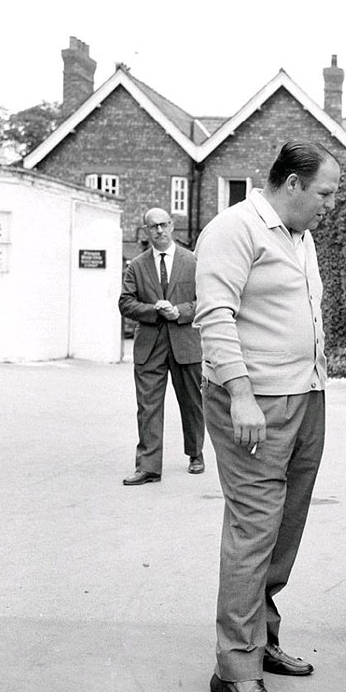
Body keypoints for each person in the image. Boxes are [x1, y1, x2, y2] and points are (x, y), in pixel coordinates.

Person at [194, 140, 340, 692]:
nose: (331, 204)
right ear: (293, 184)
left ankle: (261, 634)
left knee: (286, 524)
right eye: (325, 193)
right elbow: (215, 315)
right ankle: (235, 670)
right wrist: (242, 394)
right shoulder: (234, 230)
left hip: (305, 395)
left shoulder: (298, 234)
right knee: (255, 527)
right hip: (253, 404)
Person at [118, 208, 204, 486]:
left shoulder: (192, 261)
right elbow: (125, 303)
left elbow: (205, 300)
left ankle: (195, 454)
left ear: (172, 226)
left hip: (185, 342)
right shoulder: (137, 265)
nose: (159, 230)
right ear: (146, 231)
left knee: (191, 402)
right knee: (148, 406)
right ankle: (149, 467)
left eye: (164, 225)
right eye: (153, 226)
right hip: (150, 345)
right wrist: (154, 310)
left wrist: (179, 311)